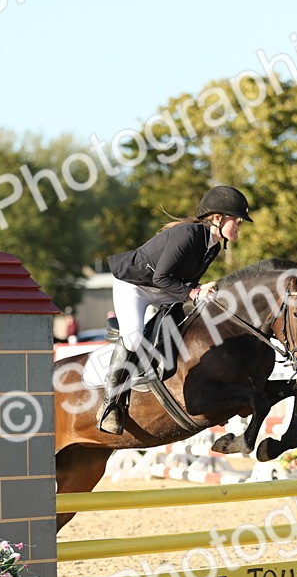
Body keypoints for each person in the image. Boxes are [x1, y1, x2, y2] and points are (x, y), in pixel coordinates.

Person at [97, 185, 252, 435]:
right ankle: (110, 405)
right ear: (217, 218)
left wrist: (200, 289)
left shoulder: (213, 245)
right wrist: (193, 291)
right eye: (237, 220)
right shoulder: (188, 234)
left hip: (164, 288)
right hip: (135, 286)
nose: (239, 226)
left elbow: (181, 279)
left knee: (193, 319)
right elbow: (161, 277)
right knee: (135, 340)